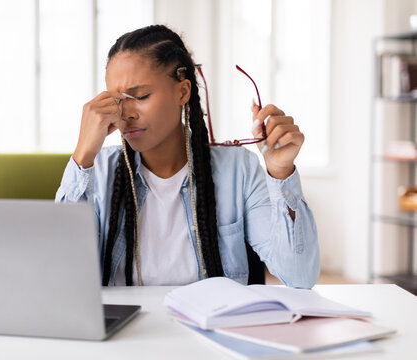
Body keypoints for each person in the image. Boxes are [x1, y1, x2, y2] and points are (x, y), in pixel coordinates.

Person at [56, 24, 319, 288]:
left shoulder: (239, 170)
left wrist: (281, 172)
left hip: (209, 325)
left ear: (182, 92)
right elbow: (60, 276)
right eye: (117, 101)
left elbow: (300, 277)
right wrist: (82, 155)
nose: (126, 113)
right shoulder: (99, 170)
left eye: (140, 96)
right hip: (127, 329)